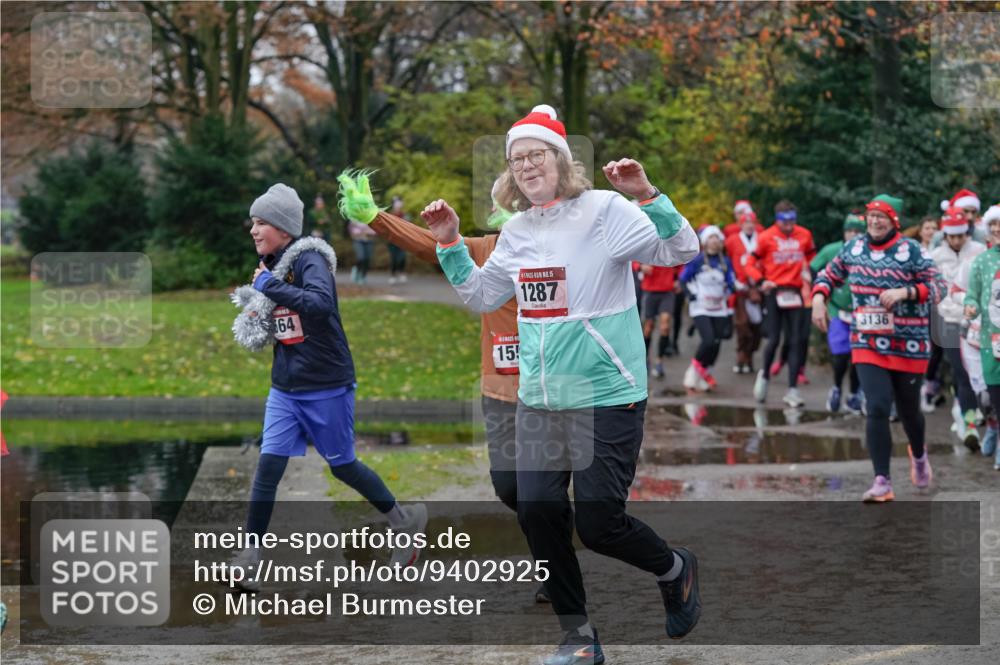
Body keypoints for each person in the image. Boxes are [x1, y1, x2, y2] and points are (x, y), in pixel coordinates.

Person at [421, 105, 702, 664]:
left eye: (536, 154)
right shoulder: (518, 231)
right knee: (536, 508)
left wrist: (648, 196)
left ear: (561, 160)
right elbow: (482, 296)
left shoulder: (604, 210)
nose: (526, 165)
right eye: (516, 159)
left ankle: (674, 569)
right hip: (542, 400)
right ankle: (578, 638)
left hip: (607, 394)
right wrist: (449, 243)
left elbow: (680, 250)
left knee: (598, 525)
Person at [336, 171, 550, 604]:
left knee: (541, 492)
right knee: (510, 488)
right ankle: (555, 540)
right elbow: (428, 243)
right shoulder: (488, 249)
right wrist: (374, 217)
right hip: (499, 392)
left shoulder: (558, 251)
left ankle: (556, 567)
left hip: (548, 392)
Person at [228, 183, 427, 589]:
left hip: (326, 384)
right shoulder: (272, 265)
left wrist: (268, 287)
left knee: (343, 466)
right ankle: (250, 557)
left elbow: (320, 304)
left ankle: (404, 524)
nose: (253, 229)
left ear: (284, 227)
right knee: (268, 467)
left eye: (261, 222)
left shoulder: (310, 259)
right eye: (252, 222)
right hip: (285, 388)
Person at [813, 194, 946, 502]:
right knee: (877, 406)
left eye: (881, 216)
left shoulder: (911, 250)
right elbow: (828, 275)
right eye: (871, 215)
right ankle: (882, 481)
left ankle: (919, 455)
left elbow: (939, 287)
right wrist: (819, 298)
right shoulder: (854, 248)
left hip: (908, 345)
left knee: (909, 412)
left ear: (893, 222)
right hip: (867, 342)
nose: (874, 221)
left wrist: (905, 292)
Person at [745, 200, 816, 407]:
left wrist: (811, 273)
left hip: (795, 292)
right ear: (777, 220)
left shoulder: (804, 235)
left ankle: (793, 389)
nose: (789, 225)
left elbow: (814, 258)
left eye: (792, 220)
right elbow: (749, 263)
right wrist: (761, 281)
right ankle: (765, 376)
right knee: (774, 339)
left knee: (795, 340)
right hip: (774, 291)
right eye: (785, 221)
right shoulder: (766, 237)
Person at [930, 206, 986, 450]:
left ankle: (979, 414)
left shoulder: (979, 251)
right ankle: (970, 423)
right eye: (951, 236)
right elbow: (931, 287)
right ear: (945, 235)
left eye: (960, 236)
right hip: (949, 320)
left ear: (967, 233)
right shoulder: (935, 256)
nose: (955, 241)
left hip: (977, 321)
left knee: (980, 374)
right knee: (961, 372)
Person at [811, 212, 867, 413]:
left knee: (858, 356)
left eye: (857, 231)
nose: (853, 234)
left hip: (862, 313)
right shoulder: (832, 250)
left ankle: (854, 394)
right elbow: (814, 269)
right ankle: (836, 388)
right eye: (849, 230)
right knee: (841, 355)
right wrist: (820, 298)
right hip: (837, 310)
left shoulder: (869, 253)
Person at [964, 203, 1000, 470]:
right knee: (994, 394)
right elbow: (972, 294)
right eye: (993, 225)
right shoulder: (982, 260)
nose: (997, 229)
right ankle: (994, 428)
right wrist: (971, 306)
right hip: (991, 340)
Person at [679, 226, 735, 392]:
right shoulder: (697, 260)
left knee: (716, 343)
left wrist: (732, 288)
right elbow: (683, 279)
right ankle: (693, 372)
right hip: (701, 307)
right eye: (711, 237)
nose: (715, 240)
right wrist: (690, 295)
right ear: (705, 241)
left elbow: (731, 280)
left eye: (717, 237)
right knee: (708, 340)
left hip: (719, 307)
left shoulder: (725, 261)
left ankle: (705, 374)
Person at [724, 210, 764, 374]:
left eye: (751, 222)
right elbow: (726, 261)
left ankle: (749, 355)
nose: (749, 225)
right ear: (740, 224)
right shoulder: (732, 240)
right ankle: (741, 355)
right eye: (745, 222)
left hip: (758, 287)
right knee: (742, 325)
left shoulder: (761, 239)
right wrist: (732, 281)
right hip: (740, 287)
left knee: (757, 325)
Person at [639, 263, 680, 378]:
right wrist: (640, 267)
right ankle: (645, 359)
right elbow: (632, 260)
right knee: (648, 328)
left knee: (665, 326)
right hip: (650, 291)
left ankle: (659, 362)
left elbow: (682, 262)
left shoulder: (670, 250)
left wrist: (679, 279)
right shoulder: (647, 249)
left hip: (667, 291)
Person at [348, 215, 377, 284]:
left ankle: (363, 276)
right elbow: (351, 229)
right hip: (358, 240)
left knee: (367, 259)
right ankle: (356, 270)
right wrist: (359, 232)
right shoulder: (354, 217)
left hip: (369, 240)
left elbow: (374, 230)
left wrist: (369, 232)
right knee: (361, 257)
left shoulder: (370, 216)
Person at [387, 196, 410, 284]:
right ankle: (392, 275)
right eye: (396, 205)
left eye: (399, 205)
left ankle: (401, 272)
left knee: (402, 258)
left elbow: (408, 226)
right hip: (392, 241)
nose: (398, 207)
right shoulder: (390, 215)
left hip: (402, 241)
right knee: (393, 258)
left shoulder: (404, 215)